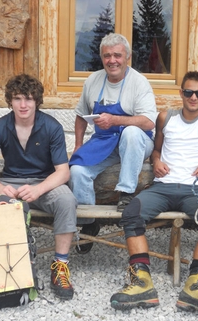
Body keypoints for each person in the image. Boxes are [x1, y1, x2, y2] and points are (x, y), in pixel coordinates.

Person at [0, 74, 77, 301]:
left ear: (37, 101)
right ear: (10, 101)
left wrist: (38, 190)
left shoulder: (52, 127)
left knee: (67, 199)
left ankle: (60, 265)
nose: (23, 105)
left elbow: (63, 172)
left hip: (42, 183)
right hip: (9, 182)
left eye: (28, 99)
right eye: (17, 99)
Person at [110, 71, 198, 317]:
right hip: (163, 186)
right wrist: (156, 160)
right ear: (181, 93)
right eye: (188, 92)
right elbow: (157, 150)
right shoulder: (166, 117)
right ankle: (142, 282)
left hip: (194, 188)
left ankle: (196, 283)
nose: (193, 97)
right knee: (131, 212)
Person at [69, 33, 157, 253]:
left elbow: (147, 122)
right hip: (104, 141)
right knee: (77, 170)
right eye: (107, 56)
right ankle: (89, 223)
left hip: (137, 142)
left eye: (117, 55)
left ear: (127, 57)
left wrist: (115, 119)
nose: (112, 60)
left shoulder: (139, 82)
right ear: (102, 58)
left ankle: (126, 194)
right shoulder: (93, 80)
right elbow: (81, 115)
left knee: (131, 133)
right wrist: (78, 144)